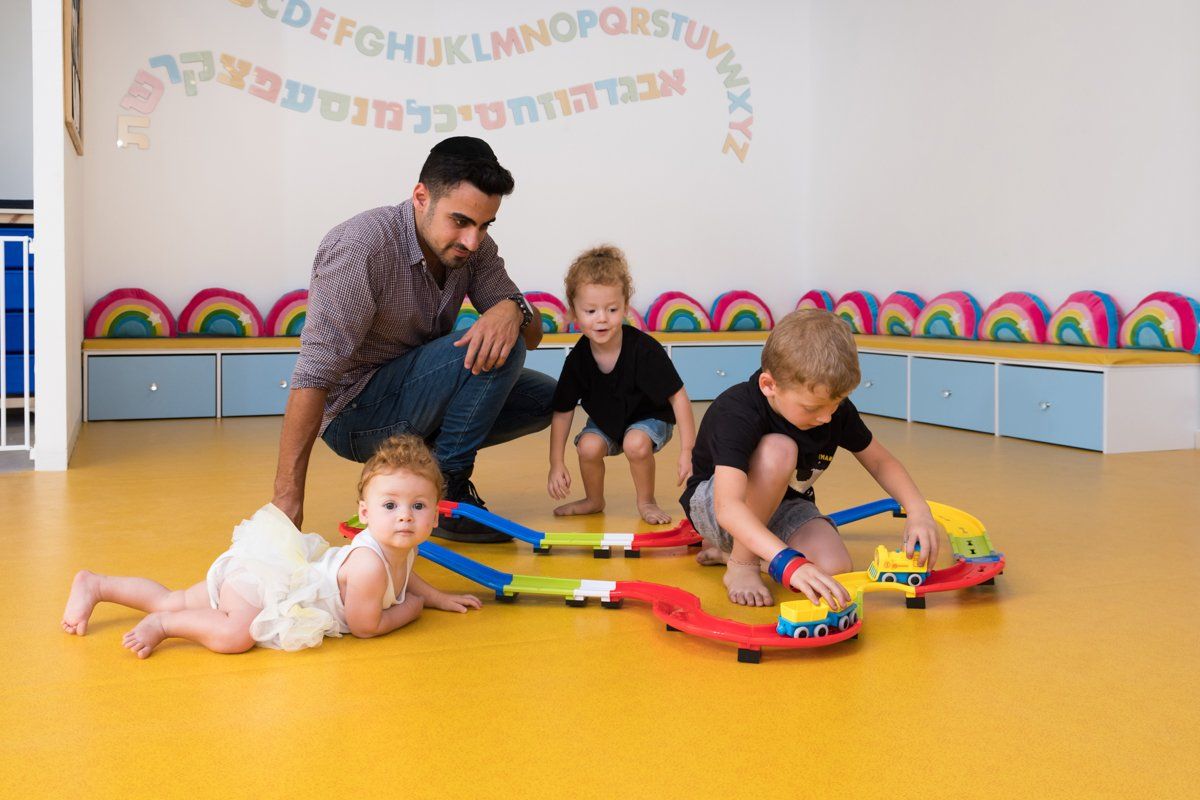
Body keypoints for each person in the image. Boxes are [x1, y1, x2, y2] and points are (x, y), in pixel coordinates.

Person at [273, 136, 555, 543]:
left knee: (544, 399)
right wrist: (286, 499)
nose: (472, 240)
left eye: (484, 225)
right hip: (355, 415)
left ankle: (429, 473)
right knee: (502, 345)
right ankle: (445, 492)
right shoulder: (361, 248)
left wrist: (514, 308)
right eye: (460, 221)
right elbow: (314, 375)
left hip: (417, 395)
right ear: (421, 197)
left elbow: (534, 335)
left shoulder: (474, 249)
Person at [61, 435, 481, 658]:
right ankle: (164, 627)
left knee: (174, 597)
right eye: (390, 505)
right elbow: (365, 626)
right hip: (266, 589)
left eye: (418, 506)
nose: (405, 516)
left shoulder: (402, 547)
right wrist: (412, 609)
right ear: (364, 514)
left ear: (435, 514)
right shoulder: (369, 564)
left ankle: (98, 585)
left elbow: (405, 577)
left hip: (268, 576)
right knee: (234, 636)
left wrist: (438, 597)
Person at [681, 309, 941, 607]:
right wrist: (790, 563)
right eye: (811, 408)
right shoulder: (737, 412)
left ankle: (733, 554)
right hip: (718, 509)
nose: (826, 417)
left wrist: (918, 510)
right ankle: (742, 564)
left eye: (836, 403)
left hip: (785, 505)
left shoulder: (829, 409)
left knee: (834, 568)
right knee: (779, 450)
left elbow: (881, 462)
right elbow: (727, 507)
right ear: (769, 385)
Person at [547, 245, 696, 524]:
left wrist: (688, 451)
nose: (602, 318)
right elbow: (563, 411)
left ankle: (646, 501)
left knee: (635, 443)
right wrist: (556, 463)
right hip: (608, 420)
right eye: (590, 310)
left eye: (612, 309)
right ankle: (594, 499)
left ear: (625, 307)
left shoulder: (644, 350)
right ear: (574, 313)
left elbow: (678, 397)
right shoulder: (578, 360)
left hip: (649, 417)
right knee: (588, 447)